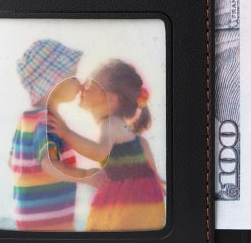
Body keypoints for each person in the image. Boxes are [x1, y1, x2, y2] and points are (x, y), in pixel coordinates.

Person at [48, 59, 165, 231]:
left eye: (90, 85)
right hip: (147, 200)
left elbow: (100, 152)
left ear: (110, 99)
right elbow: (142, 143)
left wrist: (66, 133)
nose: (82, 86)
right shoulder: (120, 125)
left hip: (124, 201)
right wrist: (155, 177)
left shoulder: (109, 124)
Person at [9, 39, 100, 231]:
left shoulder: (26, 120)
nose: (79, 83)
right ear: (51, 84)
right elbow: (49, 165)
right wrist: (86, 176)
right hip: (50, 220)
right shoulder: (47, 122)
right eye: (72, 77)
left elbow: (12, 161)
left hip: (28, 216)